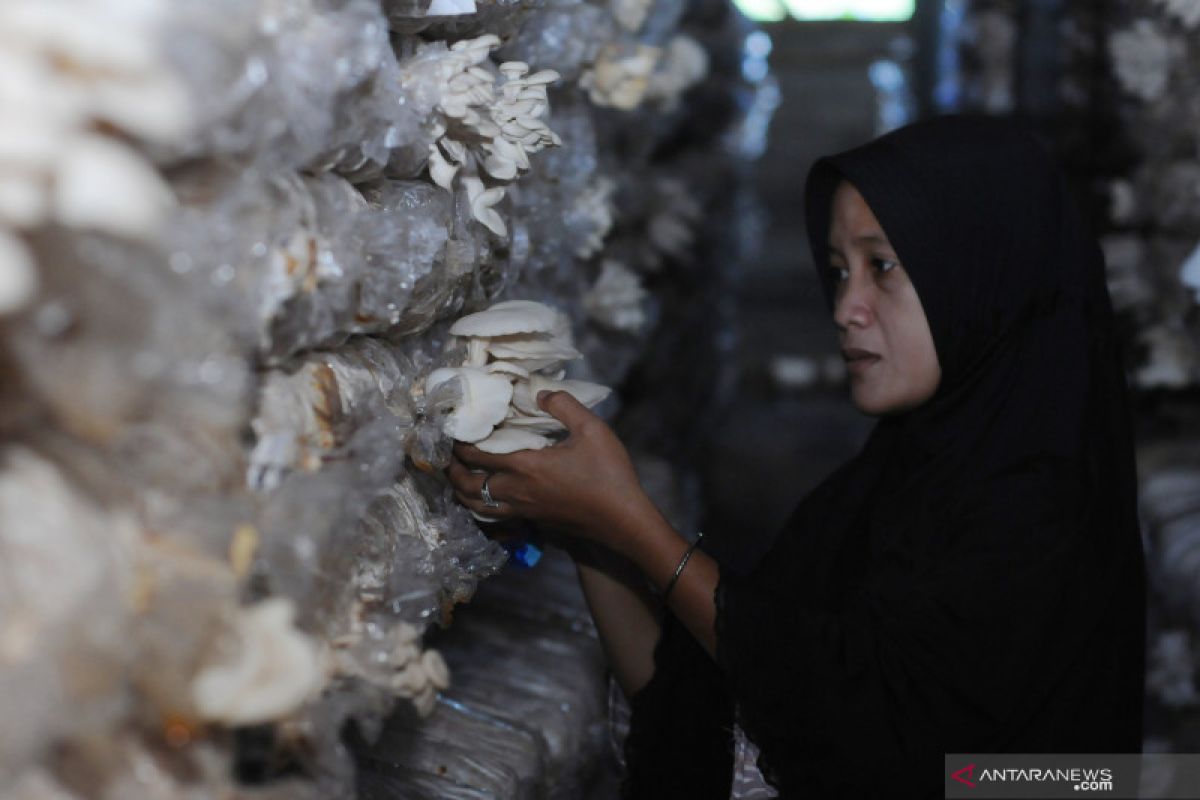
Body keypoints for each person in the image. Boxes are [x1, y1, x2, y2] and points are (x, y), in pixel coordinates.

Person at [445, 114, 1146, 797]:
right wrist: (591, 528)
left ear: (981, 269)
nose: (847, 307)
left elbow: (873, 740)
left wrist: (636, 527)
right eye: (840, 271)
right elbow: (717, 697)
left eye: (883, 268)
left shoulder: (1039, 509)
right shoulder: (893, 481)